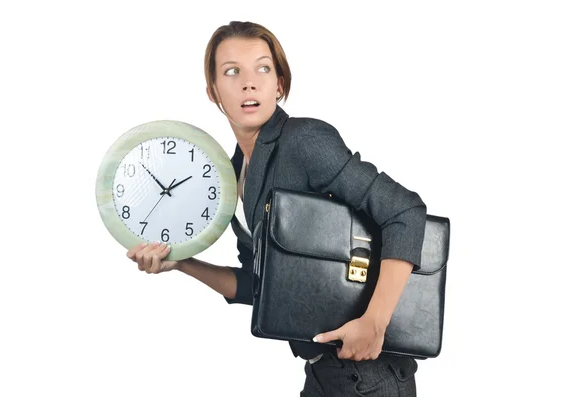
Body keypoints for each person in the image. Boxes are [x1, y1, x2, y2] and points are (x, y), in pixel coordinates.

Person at [126, 21, 427, 397]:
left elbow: (405, 211)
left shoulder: (303, 140)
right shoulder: (235, 172)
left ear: (279, 85)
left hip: (369, 372)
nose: (249, 82)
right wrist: (181, 261)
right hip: (322, 372)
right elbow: (262, 286)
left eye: (263, 68)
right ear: (213, 91)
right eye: (232, 72)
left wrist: (374, 323)